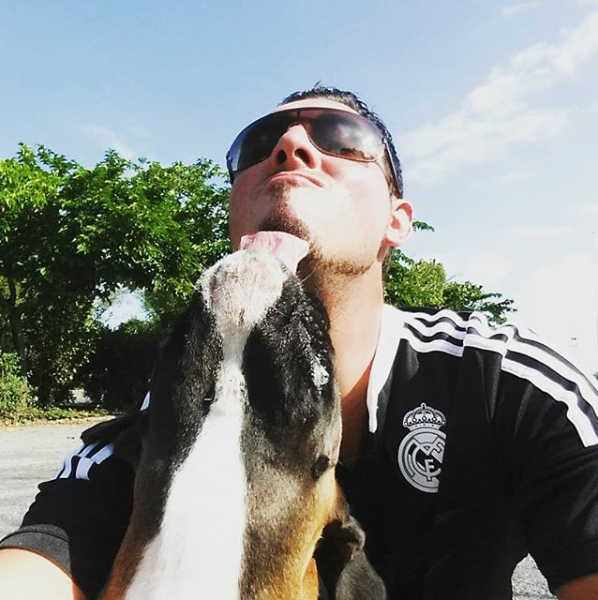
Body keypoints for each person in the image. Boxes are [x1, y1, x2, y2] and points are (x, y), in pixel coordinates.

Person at [1, 86, 598, 600]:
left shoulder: (509, 382)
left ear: (397, 219)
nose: (289, 147)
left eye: (342, 137)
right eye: (257, 145)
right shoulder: (177, 411)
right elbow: (41, 561)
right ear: (235, 208)